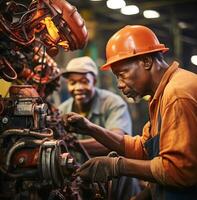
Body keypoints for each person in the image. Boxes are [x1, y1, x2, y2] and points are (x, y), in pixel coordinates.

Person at [63, 25, 197, 200]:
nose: (119, 84)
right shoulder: (161, 95)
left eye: (122, 73)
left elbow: (179, 171)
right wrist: (90, 128)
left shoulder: (177, 94)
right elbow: (142, 148)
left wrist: (117, 166)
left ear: (147, 62)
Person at [59, 56, 141, 199]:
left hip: (117, 185)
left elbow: (117, 142)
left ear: (94, 81)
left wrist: (71, 145)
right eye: (72, 83)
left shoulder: (113, 104)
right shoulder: (63, 109)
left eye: (84, 82)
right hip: (82, 186)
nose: (78, 88)